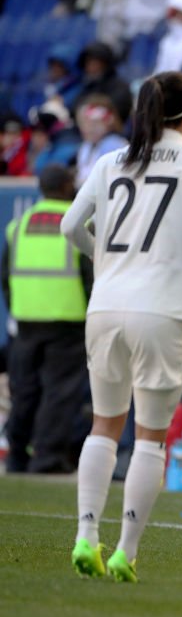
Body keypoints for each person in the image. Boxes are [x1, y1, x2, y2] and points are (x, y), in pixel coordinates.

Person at [62, 71, 182, 583]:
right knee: (148, 437)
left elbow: (69, 227)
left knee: (104, 424)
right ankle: (125, 549)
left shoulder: (109, 161)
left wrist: (104, 261)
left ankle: (85, 536)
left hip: (105, 305)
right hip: (159, 310)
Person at [2, 165, 91, 473]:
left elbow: (5, 275)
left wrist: (18, 306)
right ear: (68, 186)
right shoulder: (79, 224)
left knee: (24, 390)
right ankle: (48, 457)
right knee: (59, 392)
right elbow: (89, 278)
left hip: (26, 320)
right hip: (67, 320)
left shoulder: (18, 225)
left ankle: (16, 455)